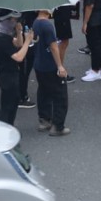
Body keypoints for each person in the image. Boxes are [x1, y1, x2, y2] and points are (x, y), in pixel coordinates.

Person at [33, 8, 70, 136]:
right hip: (50, 66)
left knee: (43, 91)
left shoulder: (36, 22)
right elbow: (54, 47)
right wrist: (60, 66)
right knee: (60, 95)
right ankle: (58, 126)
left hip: (39, 64)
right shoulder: (47, 26)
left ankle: (44, 120)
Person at [0, 12, 32, 126]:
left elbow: (18, 44)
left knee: (13, 103)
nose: (15, 22)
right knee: (7, 106)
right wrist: (28, 41)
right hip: (7, 76)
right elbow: (19, 57)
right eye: (13, 20)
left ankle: (9, 126)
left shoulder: (4, 36)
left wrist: (19, 32)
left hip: (10, 74)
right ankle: (4, 128)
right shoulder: (2, 40)